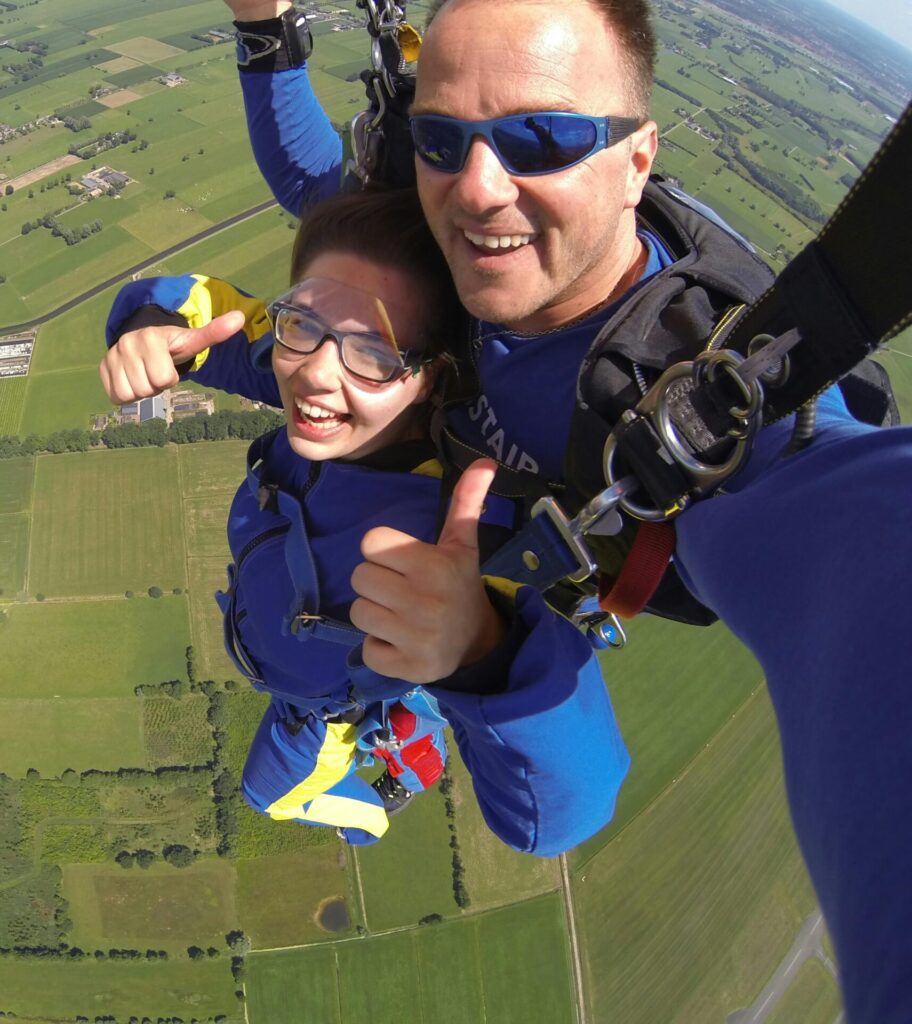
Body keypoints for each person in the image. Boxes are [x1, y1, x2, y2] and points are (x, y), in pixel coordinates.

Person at [108, 1, 912, 1017]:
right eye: (443, 138)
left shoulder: (717, 417)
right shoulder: (454, 239)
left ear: (637, 159)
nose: (480, 184)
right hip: (364, 567)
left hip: (451, 619)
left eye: (546, 137)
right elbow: (326, 204)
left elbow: (872, 562)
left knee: (289, 756)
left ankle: (397, 726)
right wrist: (267, 37)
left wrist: (482, 652)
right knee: (286, 741)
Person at [101, 185, 631, 854]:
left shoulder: (463, 536)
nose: (317, 374)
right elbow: (200, 312)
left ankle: (378, 807)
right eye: (299, 323)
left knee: (270, 796)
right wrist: (147, 321)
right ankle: (415, 713)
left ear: (430, 378)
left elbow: (562, 815)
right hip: (303, 653)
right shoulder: (316, 379)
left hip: (322, 709)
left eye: (374, 355)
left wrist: (480, 652)